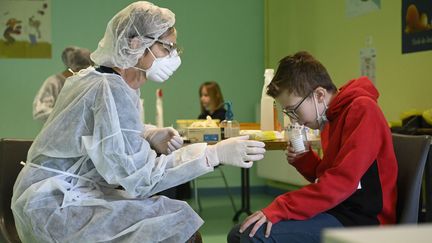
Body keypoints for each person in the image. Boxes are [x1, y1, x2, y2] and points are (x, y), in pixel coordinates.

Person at [11, 2, 266, 243]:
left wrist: (148, 134)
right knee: (177, 225)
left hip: (67, 192)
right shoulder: (109, 88)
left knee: (172, 214)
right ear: (136, 43)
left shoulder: (100, 79)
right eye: (166, 47)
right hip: (55, 206)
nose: (173, 55)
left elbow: (101, 130)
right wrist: (212, 154)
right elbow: (141, 179)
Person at [228, 51, 398, 243]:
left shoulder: (362, 110)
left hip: (363, 220)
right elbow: (330, 176)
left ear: (319, 95)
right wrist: (305, 161)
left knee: (251, 237)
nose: (293, 119)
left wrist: (281, 206)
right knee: (238, 233)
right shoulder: (331, 117)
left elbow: (341, 183)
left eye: (294, 110)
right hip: (339, 208)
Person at [32, 46, 93, 122]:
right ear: (73, 68)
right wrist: (68, 116)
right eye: (81, 70)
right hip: (57, 132)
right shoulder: (54, 83)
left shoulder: (90, 82)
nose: (85, 74)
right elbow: (40, 111)